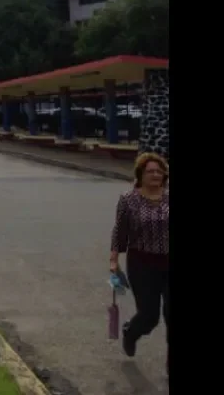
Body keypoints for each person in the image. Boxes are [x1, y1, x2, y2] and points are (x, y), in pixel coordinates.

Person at [110, 152, 170, 375]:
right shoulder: (128, 200)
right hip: (142, 265)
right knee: (149, 316)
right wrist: (114, 260)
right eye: (150, 171)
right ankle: (131, 332)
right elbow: (120, 232)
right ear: (140, 175)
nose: (155, 175)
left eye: (159, 171)